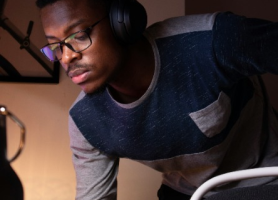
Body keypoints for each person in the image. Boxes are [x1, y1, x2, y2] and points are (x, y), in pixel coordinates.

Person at [35, 0, 278, 199]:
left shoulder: (212, 41)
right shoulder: (85, 121)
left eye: (78, 35)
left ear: (121, 22)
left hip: (265, 181)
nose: (66, 57)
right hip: (187, 193)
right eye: (56, 46)